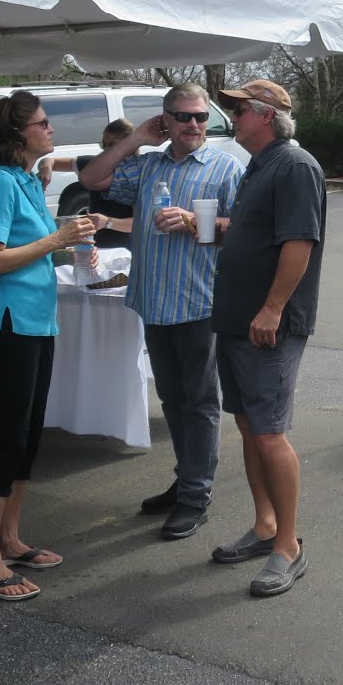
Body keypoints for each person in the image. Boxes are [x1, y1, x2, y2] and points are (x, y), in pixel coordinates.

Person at [79, 86, 243, 541]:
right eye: (183, 117)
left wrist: (193, 222)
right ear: (164, 120)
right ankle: (186, 479)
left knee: (202, 403)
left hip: (199, 303)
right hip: (155, 300)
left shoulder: (225, 167)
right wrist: (136, 141)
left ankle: (196, 496)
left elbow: (245, 228)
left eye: (200, 118)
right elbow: (92, 179)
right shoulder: (147, 164)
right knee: (173, 400)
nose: (193, 126)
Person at [0, 91, 96, 601]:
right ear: (17, 133)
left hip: (37, 324)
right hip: (9, 325)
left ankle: (9, 539)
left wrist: (71, 239)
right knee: (6, 437)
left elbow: (34, 251)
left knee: (26, 438)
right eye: (42, 124)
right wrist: (56, 241)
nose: (51, 129)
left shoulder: (24, 180)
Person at [208, 79, 325, 597]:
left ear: (265, 115)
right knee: (250, 424)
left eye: (238, 110)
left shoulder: (294, 165)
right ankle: (265, 526)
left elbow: (298, 242)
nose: (232, 117)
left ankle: (288, 547)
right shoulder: (261, 166)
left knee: (270, 432)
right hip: (237, 319)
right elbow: (259, 230)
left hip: (266, 323)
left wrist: (273, 307)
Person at [60, 118, 136, 249]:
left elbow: (141, 222)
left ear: (128, 145)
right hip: (96, 247)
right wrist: (46, 166)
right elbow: (52, 162)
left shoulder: (139, 173)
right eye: (103, 145)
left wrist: (108, 222)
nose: (106, 150)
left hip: (126, 249)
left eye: (112, 145)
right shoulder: (94, 165)